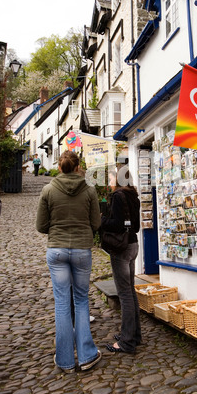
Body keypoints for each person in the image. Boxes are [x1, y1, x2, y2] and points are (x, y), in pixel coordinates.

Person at [36, 150, 101, 373]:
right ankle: (86, 356)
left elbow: (41, 226)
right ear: (77, 167)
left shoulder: (48, 190)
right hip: (82, 249)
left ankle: (64, 360)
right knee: (81, 300)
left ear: (60, 167)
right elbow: (96, 222)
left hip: (57, 250)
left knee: (62, 303)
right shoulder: (90, 190)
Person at [101, 168, 141, 354]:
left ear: (117, 180)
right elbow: (136, 226)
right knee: (130, 291)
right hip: (133, 244)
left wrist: (102, 221)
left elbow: (117, 224)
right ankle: (134, 334)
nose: (109, 182)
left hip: (121, 248)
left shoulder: (118, 196)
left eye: (110, 179)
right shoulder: (134, 195)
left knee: (124, 293)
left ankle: (126, 342)